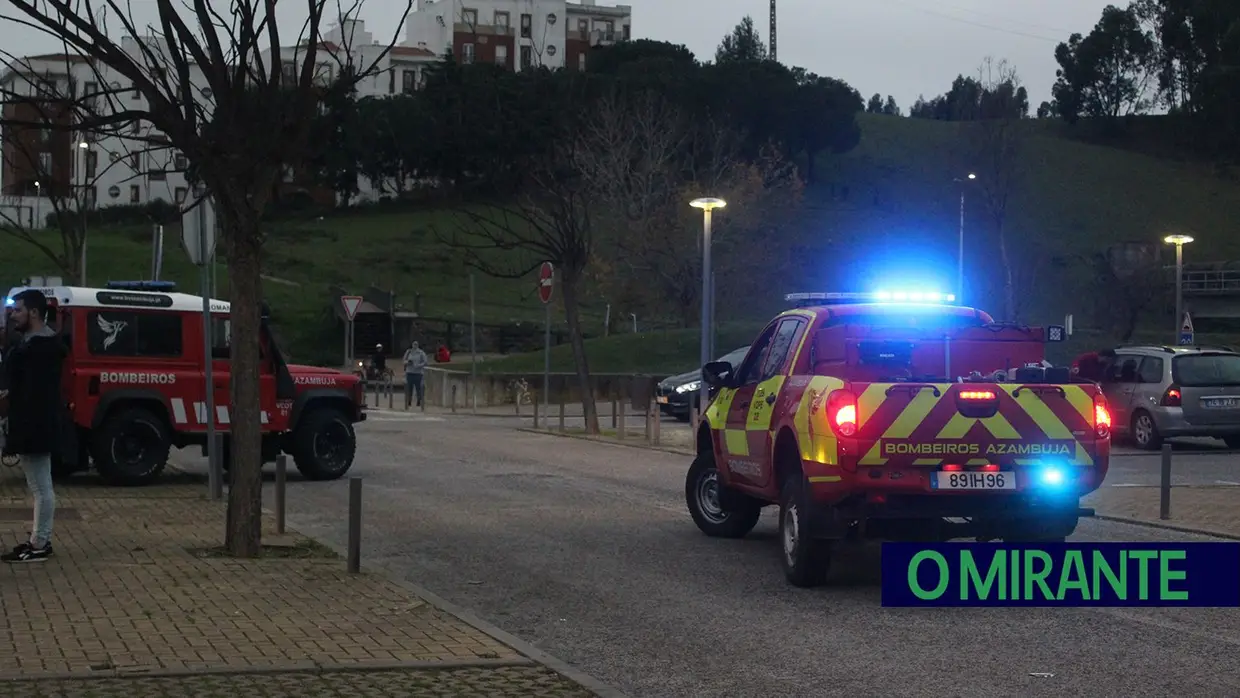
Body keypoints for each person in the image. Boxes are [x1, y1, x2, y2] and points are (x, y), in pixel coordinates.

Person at [1, 289, 67, 563]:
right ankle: (39, 540)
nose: (13, 315)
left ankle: (40, 542)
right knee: (39, 485)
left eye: (18, 310)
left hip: (35, 425)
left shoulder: (40, 349)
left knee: (41, 487)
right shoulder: (33, 344)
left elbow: (30, 391)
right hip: (32, 424)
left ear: (35, 313)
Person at [402, 342, 428, 409]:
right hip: (409, 372)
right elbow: (403, 361)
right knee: (409, 387)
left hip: (418, 373)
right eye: (414, 344)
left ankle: (419, 400)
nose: (415, 346)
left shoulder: (421, 353)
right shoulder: (408, 352)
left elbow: (425, 362)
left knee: (418, 388)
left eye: (416, 344)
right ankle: (409, 401)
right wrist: (408, 362)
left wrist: (418, 366)